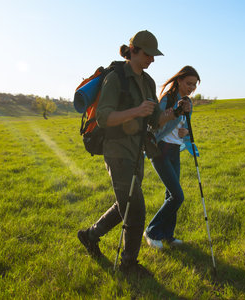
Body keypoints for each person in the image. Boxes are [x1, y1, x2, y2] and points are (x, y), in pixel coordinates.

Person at [77, 30, 190, 276]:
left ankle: (90, 235)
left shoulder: (148, 82)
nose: (152, 59)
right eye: (149, 54)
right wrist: (136, 111)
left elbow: (156, 120)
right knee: (136, 207)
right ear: (135, 50)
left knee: (125, 204)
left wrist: (176, 112)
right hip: (117, 150)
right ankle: (129, 264)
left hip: (138, 150)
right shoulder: (116, 78)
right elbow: (105, 117)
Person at [143, 66, 200, 249]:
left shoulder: (187, 102)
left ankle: (167, 235)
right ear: (179, 80)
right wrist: (175, 111)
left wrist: (184, 133)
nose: (191, 87)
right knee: (177, 196)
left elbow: (182, 128)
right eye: (188, 83)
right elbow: (156, 123)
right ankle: (151, 231)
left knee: (170, 194)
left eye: (194, 85)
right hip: (160, 149)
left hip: (175, 150)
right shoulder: (168, 98)